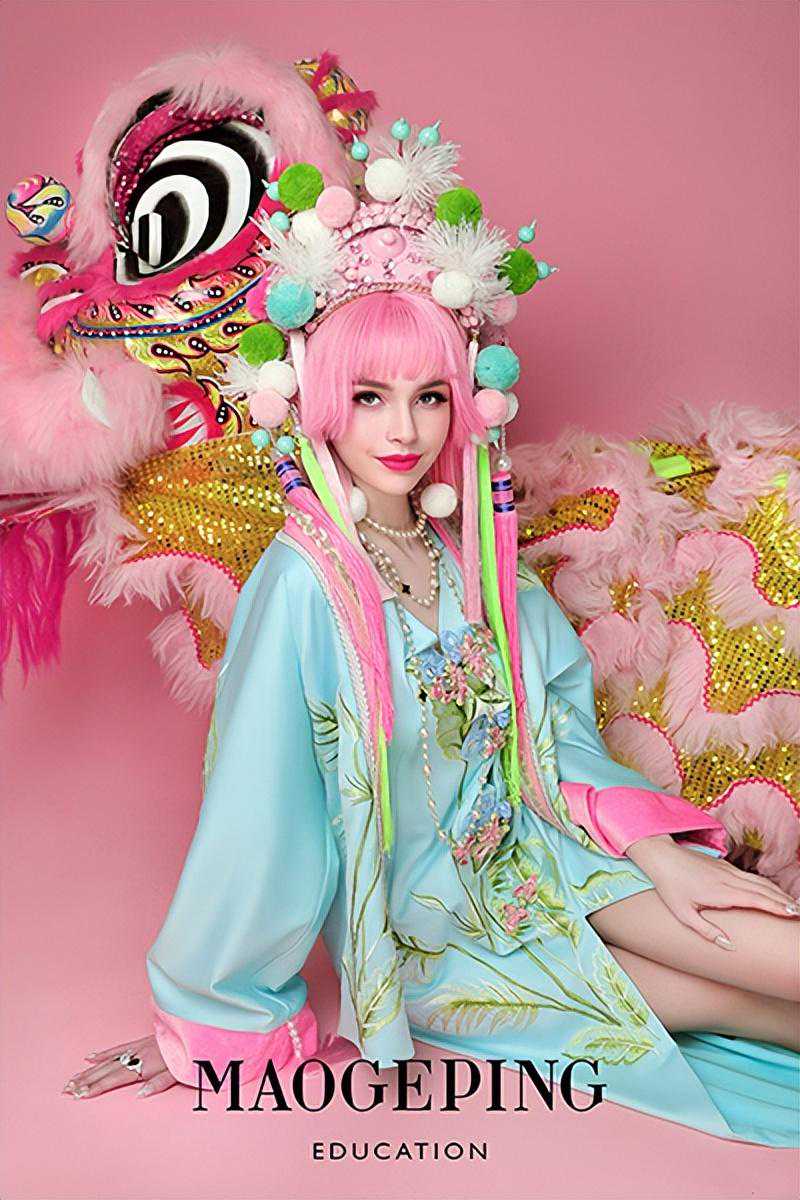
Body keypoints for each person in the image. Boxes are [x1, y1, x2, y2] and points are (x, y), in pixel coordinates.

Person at [63, 120, 800, 1147]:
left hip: (546, 850)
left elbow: (555, 737)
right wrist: (208, 1019)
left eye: (428, 397)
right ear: (322, 401)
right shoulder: (303, 587)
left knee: (749, 936)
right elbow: (256, 820)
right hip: (433, 935)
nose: (402, 431)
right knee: (729, 1004)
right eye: (369, 397)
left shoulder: (477, 566)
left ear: (464, 404)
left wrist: (658, 856)